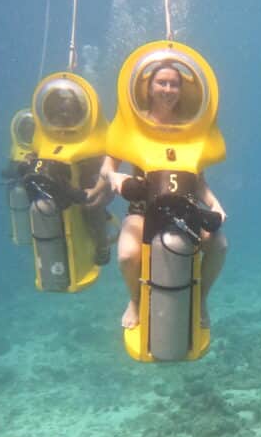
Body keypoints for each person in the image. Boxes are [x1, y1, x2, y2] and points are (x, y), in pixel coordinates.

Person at [101, 64, 227, 328]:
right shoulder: (132, 123)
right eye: (161, 83)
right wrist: (117, 180)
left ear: (182, 90)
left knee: (219, 246)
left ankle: (201, 298)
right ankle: (135, 300)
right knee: (126, 255)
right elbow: (107, 169)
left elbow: (199, 181)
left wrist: (215, 204)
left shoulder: (191, 126)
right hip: (143, 208)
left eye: (174, 84)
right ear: (148, 87)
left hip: (186, 206)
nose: (168, 90)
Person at [35, 87, 114, 265]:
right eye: (61, 110)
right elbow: (37, 156)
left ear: (80, 110)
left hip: (95, 181)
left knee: (92, 206)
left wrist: (96, 191)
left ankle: (103, 246)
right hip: (63, 183)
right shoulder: (49, 131)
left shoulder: (97, 130)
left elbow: (109, 167)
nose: (64, 115)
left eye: (69, 110)